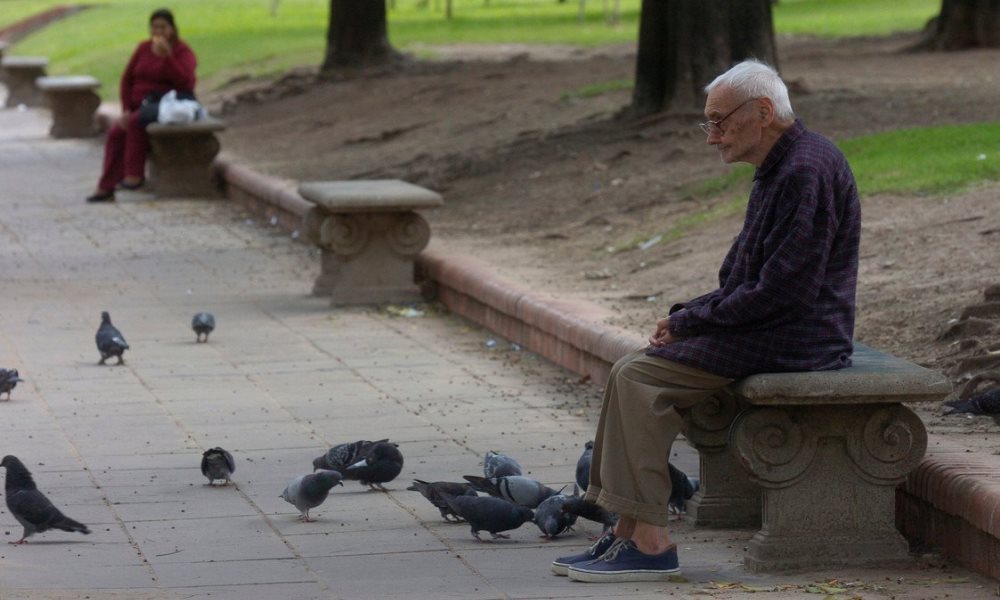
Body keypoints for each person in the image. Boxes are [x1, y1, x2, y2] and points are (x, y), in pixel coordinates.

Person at [552, 59, 861, 583]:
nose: (711, 137)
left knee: (640, 379)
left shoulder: (805, 170)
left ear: (762, 112)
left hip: (798, 336)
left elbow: (785, 292)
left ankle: (650, 543)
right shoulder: (785, 164)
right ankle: (627, 528)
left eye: (719, 121)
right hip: (775, 325)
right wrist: (690, 316)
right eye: (709, 123)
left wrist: (695, 320)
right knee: (632, 367)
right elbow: (750, 280)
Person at [86, 8, 197, 202]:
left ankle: (134, 176)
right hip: (138, 105)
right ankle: (106, 186)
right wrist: (127, 109)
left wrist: (168, 58)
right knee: (116, 132)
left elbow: (185, 83)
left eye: (163, 27)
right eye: (154, 27)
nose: (158, 32)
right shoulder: (143, 48)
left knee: (138, 122)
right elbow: (127, 79)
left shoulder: (182, 51)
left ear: (172, 29)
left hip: (166, 105)